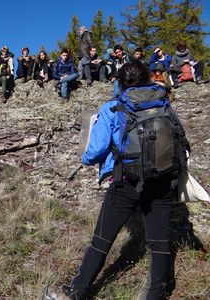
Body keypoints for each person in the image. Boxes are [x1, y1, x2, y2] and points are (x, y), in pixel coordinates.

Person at [63, 61, 188, 300]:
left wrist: (86, 155)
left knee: (101, 239)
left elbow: (95, 152)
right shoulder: (164, 103)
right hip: (162, 181)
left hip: (126, 181)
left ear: (120, 82)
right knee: (159, 242)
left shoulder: (112, 107)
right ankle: (157, 293)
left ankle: (77, 290)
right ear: (148, 78)